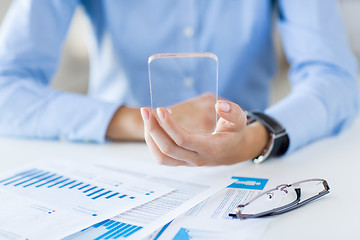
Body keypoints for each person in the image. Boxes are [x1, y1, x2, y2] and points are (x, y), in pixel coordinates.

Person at [0, 0, 358, 166]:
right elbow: (6, 87)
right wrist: (141, 121)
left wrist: (256, 137)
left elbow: (336, 78)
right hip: (113, 163)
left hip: (247, 164)